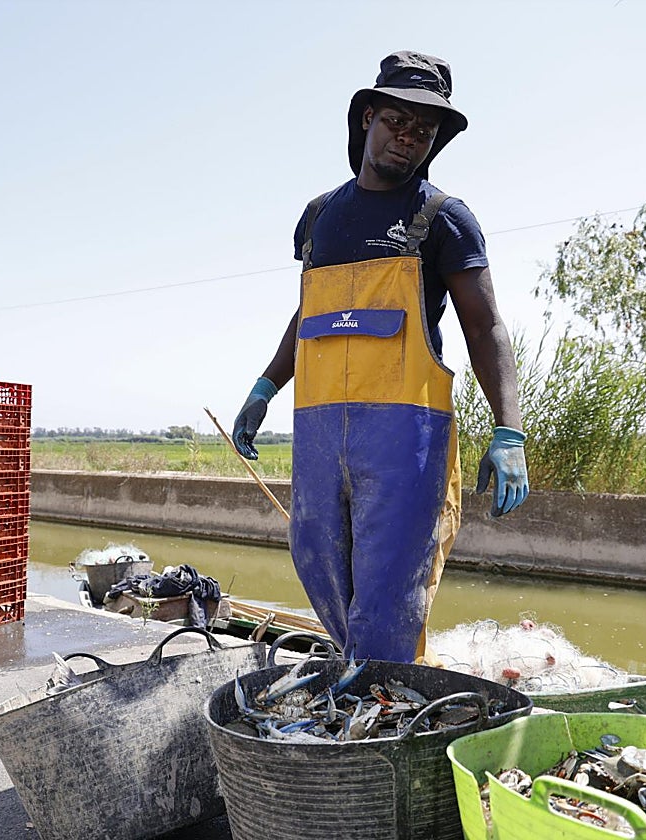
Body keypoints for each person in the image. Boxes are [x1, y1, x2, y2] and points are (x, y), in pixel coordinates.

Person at [231, 51, 529, 664]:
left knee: (393, 584)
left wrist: (510, 431)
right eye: (397, 120)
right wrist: (264, 389)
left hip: (404, 434)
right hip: (318, 429)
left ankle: (386, 702)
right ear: (367, 118)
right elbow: (310, 315)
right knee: (315, 558)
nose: (409, 138)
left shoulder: (443, 219)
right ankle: (361, 679)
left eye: (425, 131)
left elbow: (486, 325)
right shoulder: (319, 218)